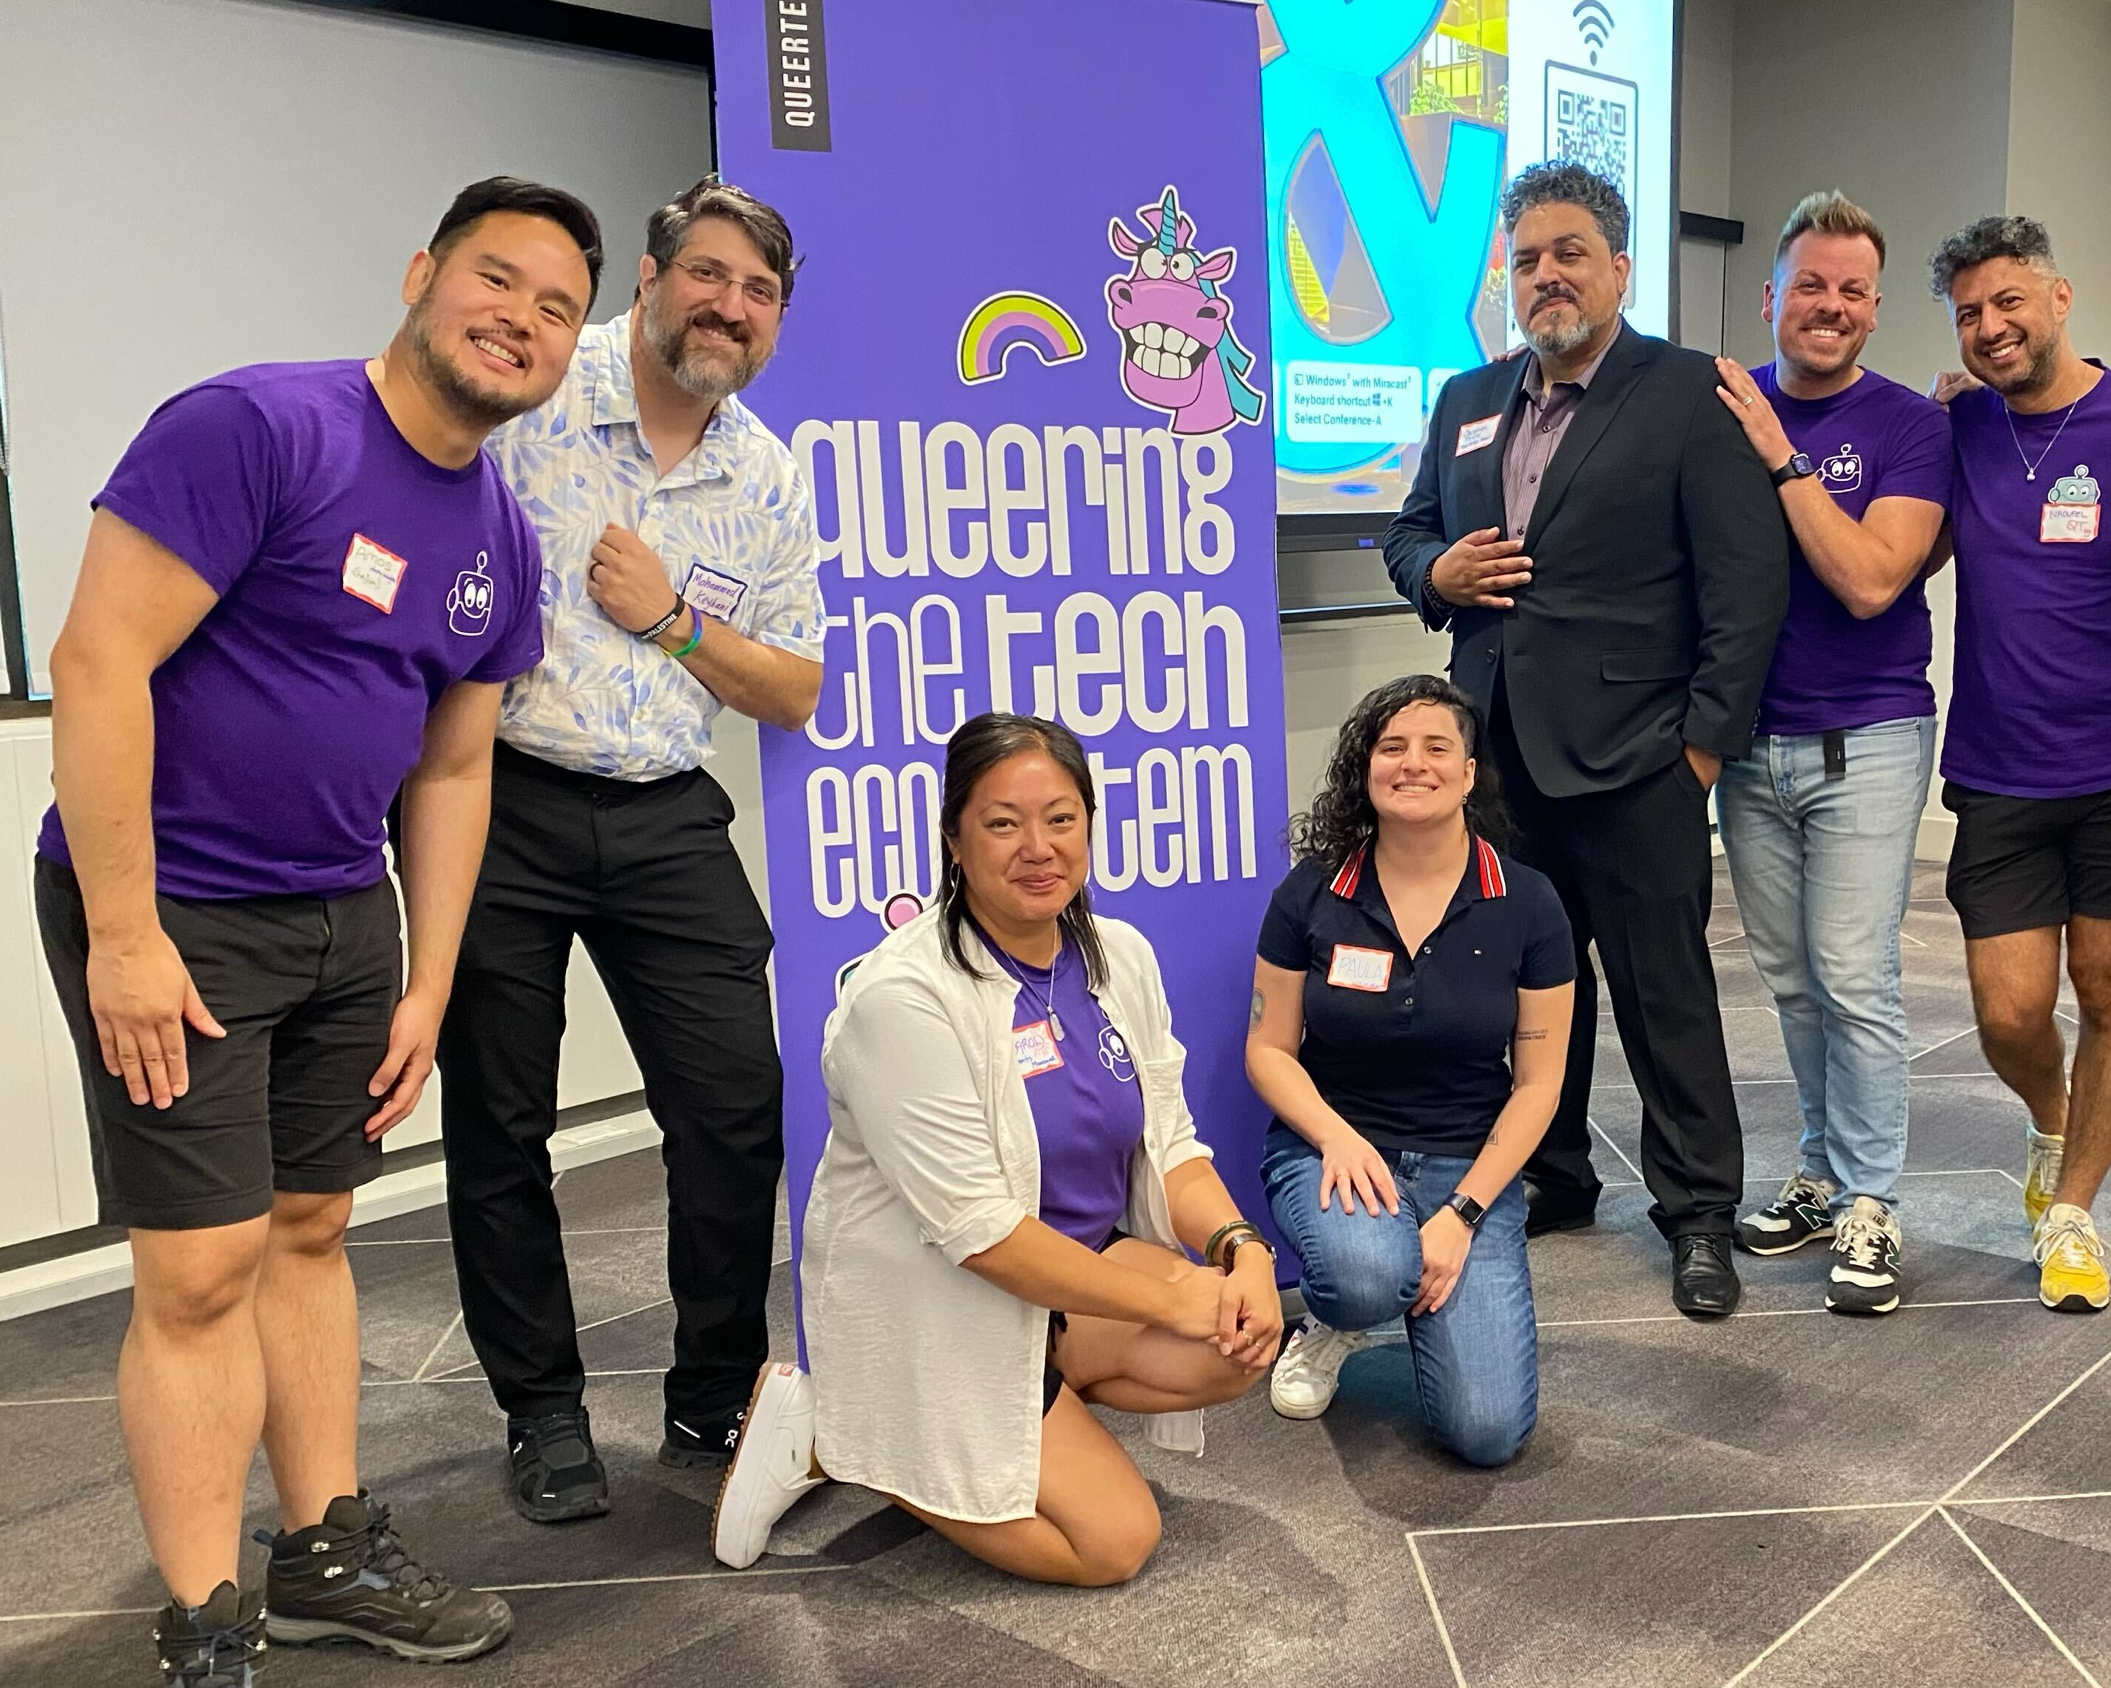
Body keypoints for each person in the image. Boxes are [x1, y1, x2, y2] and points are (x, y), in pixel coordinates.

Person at [34, 177, 601, 1684]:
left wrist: (427, 979)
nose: (521, 321)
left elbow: (458, 765)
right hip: (180, 912)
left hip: (346, 914)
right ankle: (208, 1623)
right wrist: (124, 934)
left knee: (312, 1229)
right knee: (203, 1268)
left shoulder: (504, 535)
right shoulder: (255, 429)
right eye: (498, 279)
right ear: (422, 274)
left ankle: (328, 1552)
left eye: (556, 310)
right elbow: (96, 665)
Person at [436, 176, 828, 1524]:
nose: (730, 305)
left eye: (759, 292)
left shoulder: (766, 474)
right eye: (709, 275)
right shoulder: (534, 393)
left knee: (734, 1106)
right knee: (500, 1120)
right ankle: (539, 1412)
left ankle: (712, 1395)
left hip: (664, 806)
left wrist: (672, 624)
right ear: (650, 282)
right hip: (501, 797)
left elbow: (794, 688)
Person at [709, 715, 1278, 1583]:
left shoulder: (1119, 956)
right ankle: (840, 1432)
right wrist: (1168, 1303)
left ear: (1089, 825)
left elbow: (1172, 1145)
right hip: (947, 1295)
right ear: (954, 839)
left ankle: (1020, 1407)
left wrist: (1243, 1251)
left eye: (1061, 818)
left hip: (1067, 1284)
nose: (1038, 847)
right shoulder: (902, 997)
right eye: (1003, 824)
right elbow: (980, 1235)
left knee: (1234, 1342)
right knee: (1112, 1544)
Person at [1384, 161, 1788, 1319]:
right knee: (1526, 989)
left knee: (1665, 995)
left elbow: (1745, 585)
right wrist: (1437, 572)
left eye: (1569, 252)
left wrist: (1701, 749)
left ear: (1619, 266)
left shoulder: (1685, 394)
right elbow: (1410, 531)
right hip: (1494, 761)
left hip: (1638, 761)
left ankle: (1698, 1211)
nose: (1545, 275)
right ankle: (1552, 1177)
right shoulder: (1468, 397)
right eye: (1525, 259)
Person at [1707, 192, 1950, 1316]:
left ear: (1875, 308)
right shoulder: (1716, 406)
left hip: (1869, 739)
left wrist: (1777, 453)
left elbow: (1867, 581)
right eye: (1812, 284)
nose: (1832, 306)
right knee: (1795, 979)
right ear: (1773, 296)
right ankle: (1818, 1169)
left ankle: (1872, 1199)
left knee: (1855, 975)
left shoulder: (1908, 424)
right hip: (1749, 750)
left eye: (1855, 291)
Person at [1923, 215, 2111, 1318]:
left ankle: (2071, 1210)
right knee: (2010, 1011)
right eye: (1970, 313)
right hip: (2002, 770)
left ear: (2061, 299)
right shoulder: (1963, 425)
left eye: (2007, 302)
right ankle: (2052, 1116)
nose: (1989, 327)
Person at [1247, 675, 1575, 1466]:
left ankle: (1415, 1264)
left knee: (1487, 1436)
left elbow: (1538, 1085)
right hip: (1336, 1151)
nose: (1412, 763)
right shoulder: (1313, 891)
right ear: (1365, 770)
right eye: (1391, 747)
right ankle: (1338, 1315)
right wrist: (1335, 1139)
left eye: (1437, 747)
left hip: (1469, 1164)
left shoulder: (1527, 903)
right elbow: (1266, 1049)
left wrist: (1462, 1214)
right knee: (1366, 1275)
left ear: (1469, 774)